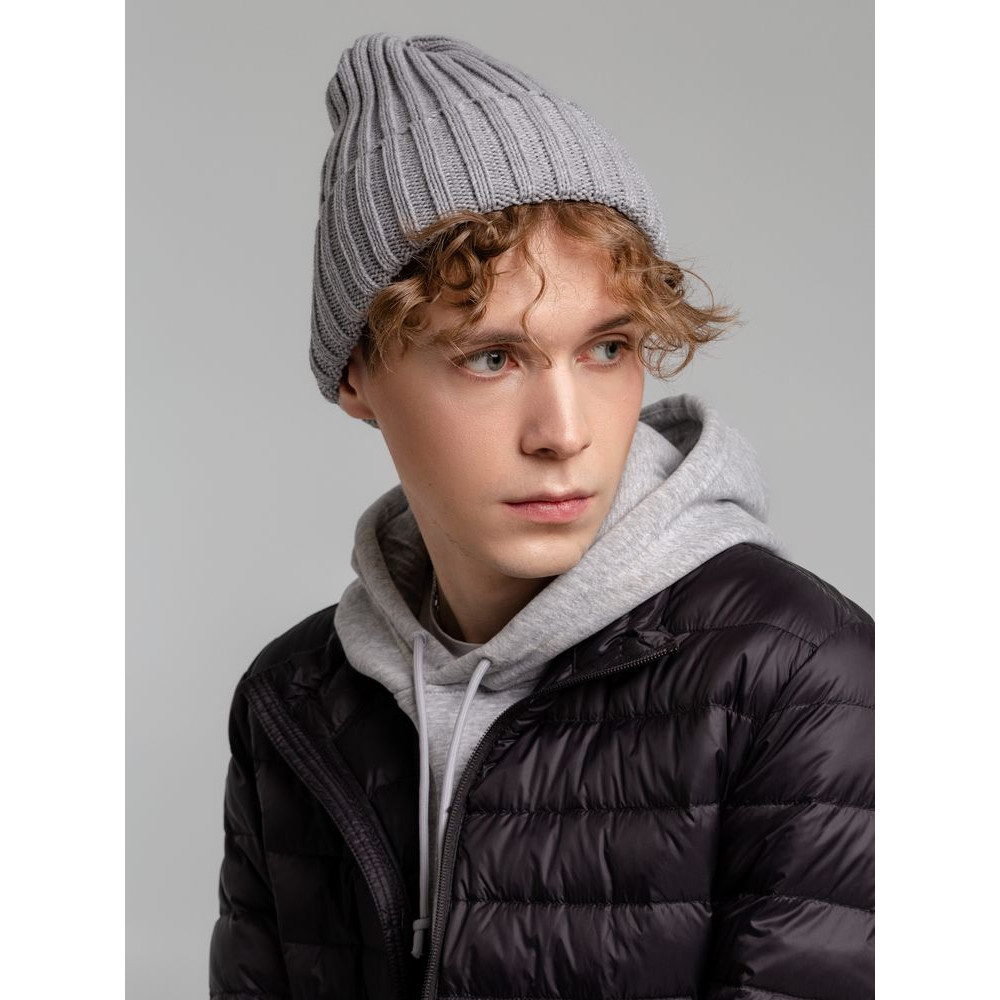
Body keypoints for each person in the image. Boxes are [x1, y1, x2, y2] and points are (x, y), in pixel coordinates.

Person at [209, 32, 874, 1000]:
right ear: (356, 376)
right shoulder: (295, 697)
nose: (565, 433)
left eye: (607, 349)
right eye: (491, 358)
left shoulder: (804, 676)